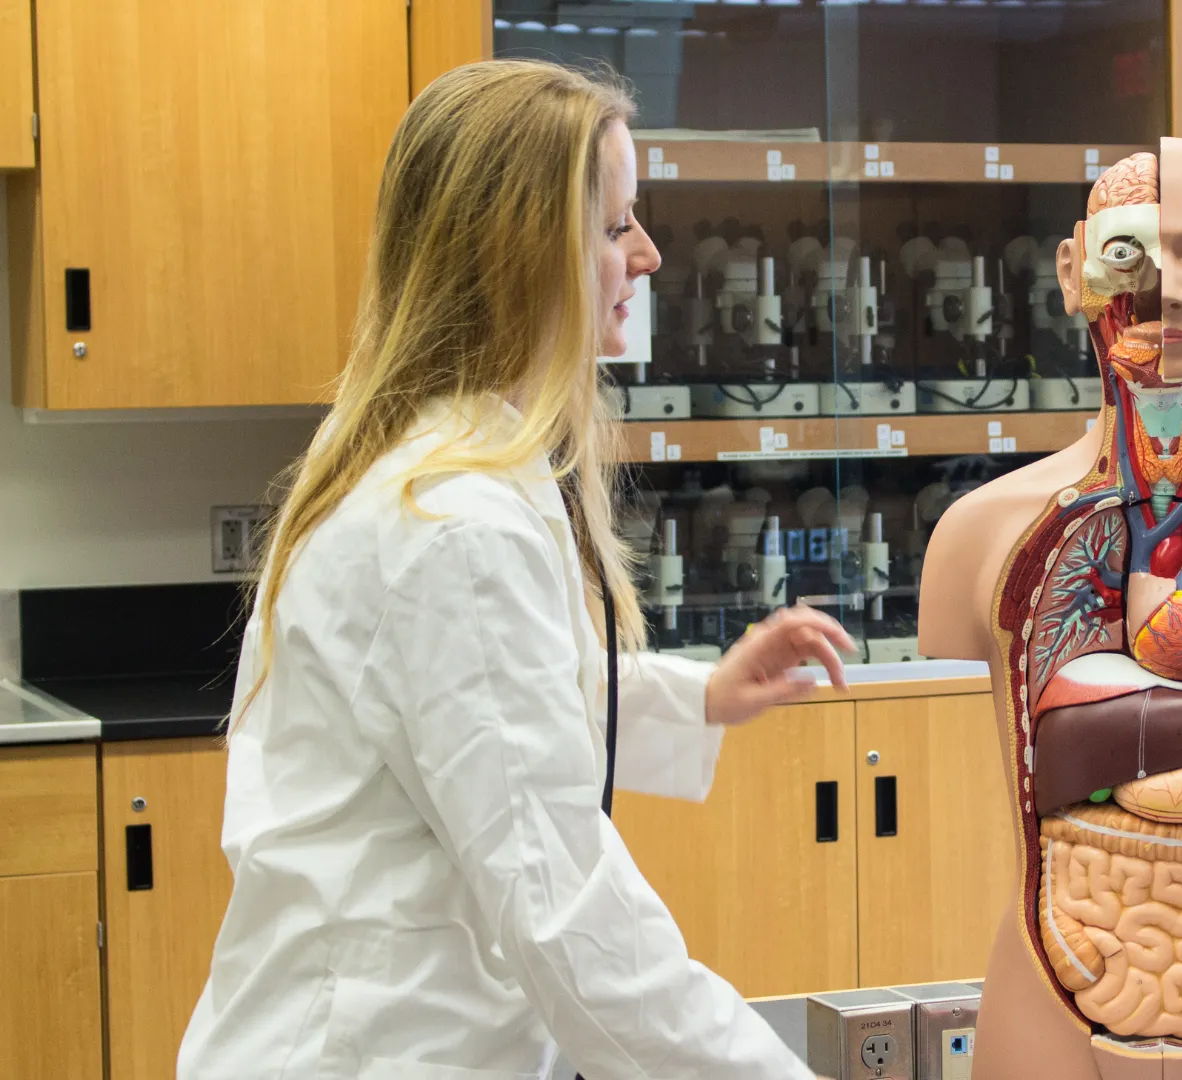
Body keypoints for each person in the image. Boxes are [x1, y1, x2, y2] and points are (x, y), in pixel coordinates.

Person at [177, 61, 843, 1080]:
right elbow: (570, 924)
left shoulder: (430, 462)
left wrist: (688, 697)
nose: (649, 255)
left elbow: (479, 701)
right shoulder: (454, 522)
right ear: (521, 251)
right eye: (618, 226)